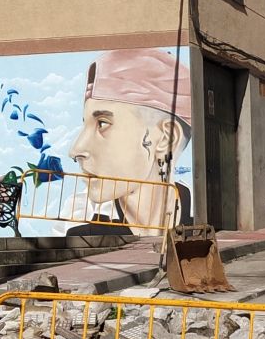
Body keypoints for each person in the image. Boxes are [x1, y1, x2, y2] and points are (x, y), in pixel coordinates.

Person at [68, 48, 192, 238]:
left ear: (166, 138)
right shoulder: (78, 222)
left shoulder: (200, 216)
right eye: (85, 125)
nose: (76, 150)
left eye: (102, 123)